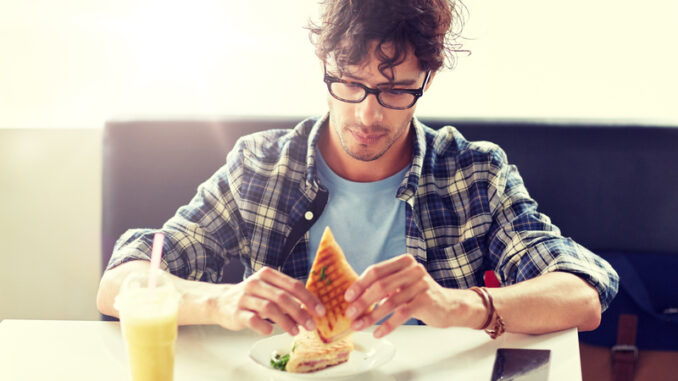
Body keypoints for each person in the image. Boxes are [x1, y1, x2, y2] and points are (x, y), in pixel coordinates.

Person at [97, 0, 618, 340]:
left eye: (394, 91)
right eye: (349, 83)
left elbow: (582, 292)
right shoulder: (259, 166)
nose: (368, 115)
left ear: (426, 82)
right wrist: (220, 301)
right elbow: (119, 282)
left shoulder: (475, 173)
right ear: (325, 69)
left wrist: (456, 306)